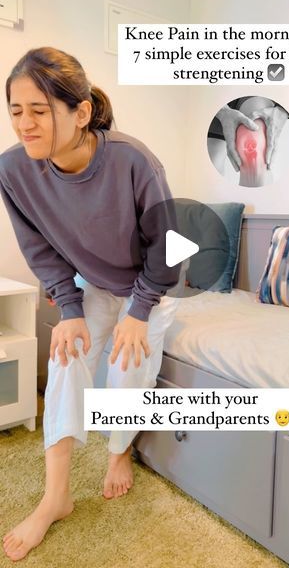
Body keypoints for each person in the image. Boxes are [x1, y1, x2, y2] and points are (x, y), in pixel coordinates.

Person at [0, 47, 182, 561]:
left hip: (153, 282)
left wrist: (141, 312)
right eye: (15, 110)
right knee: (66, 354)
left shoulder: (133, 159)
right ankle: (55, 496)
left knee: (128, 362)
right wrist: (68, 308)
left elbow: (169, 249)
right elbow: (39, 248)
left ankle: (118, 452)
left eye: (39, 110)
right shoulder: (13, 171)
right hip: (94, 285)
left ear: (80, 113)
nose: (24, 124)